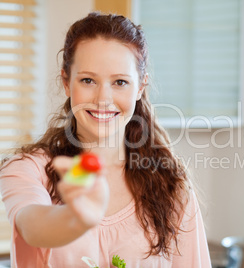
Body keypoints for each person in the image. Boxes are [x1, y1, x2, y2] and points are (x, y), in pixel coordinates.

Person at [0, 12, 211, 268]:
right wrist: (75, 218)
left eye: (120, 82)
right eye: (88, 80)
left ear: (140, 88)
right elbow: (33, 227)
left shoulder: (171, 185)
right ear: (66, 82)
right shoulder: (26, 170)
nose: (103, 98)